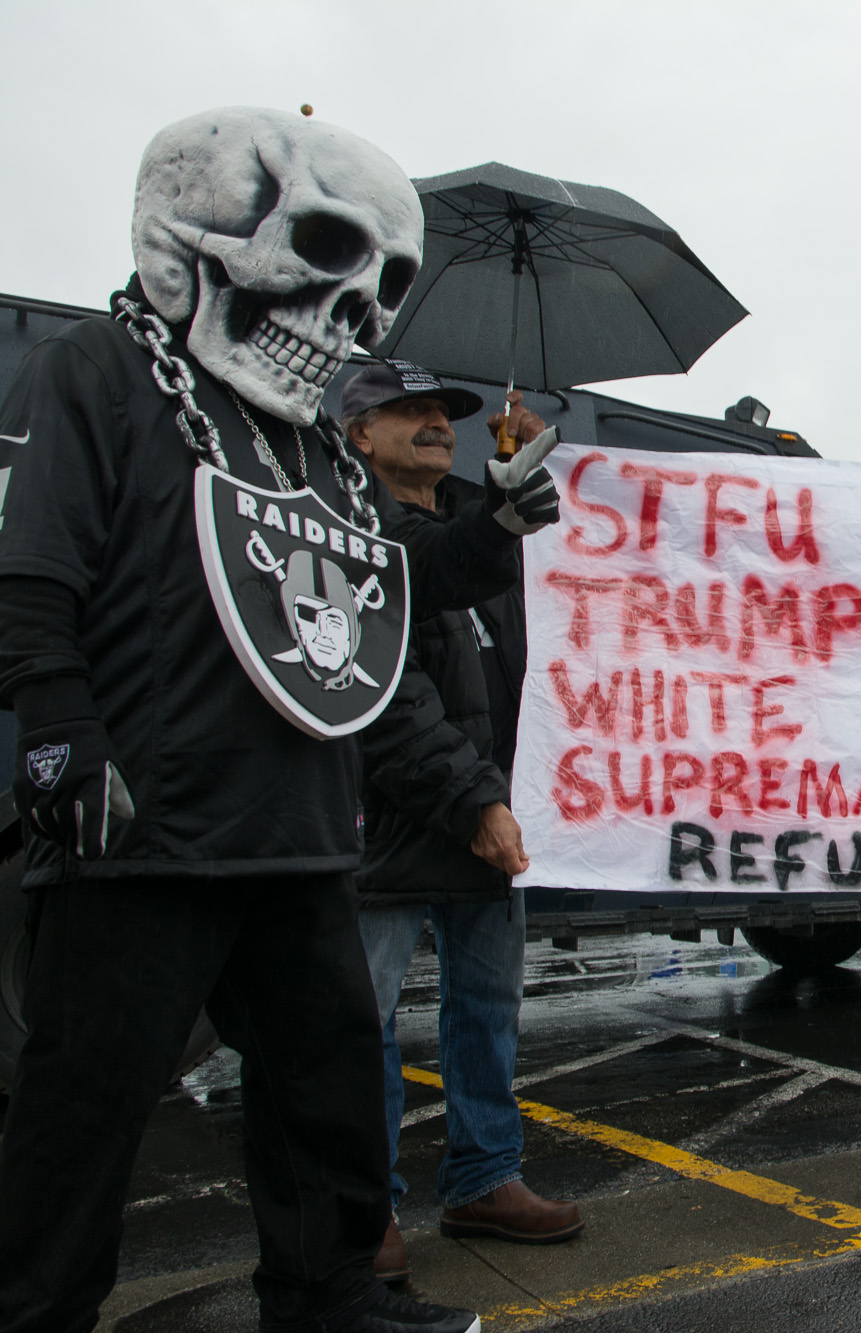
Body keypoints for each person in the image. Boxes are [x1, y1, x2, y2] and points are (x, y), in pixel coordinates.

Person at [0, 108, 508, 1333]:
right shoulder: (101, 371)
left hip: (299, 826)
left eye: (382, 289)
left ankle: (329, 1294)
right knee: (85, 1101)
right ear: (189, 239)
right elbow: (34, 568)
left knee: (323, 1087)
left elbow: (394, 587)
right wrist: (57, 725)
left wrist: (497, 521)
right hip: (147, 827)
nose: (353, 316)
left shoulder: (317, 447)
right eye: (326, 257)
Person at [340, 365, 580, 1283]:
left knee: (487, 1008)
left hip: (489, 810)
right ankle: (361, 1208)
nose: (436, 423)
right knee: (358, 1019)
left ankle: (484, 1177)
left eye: (445, 413)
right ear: (360, 435)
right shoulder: (347, 532)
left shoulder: (475, 535)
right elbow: (382, 696)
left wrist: (508, 478)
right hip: (396, 821)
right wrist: (475, 798)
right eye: (410, 412)